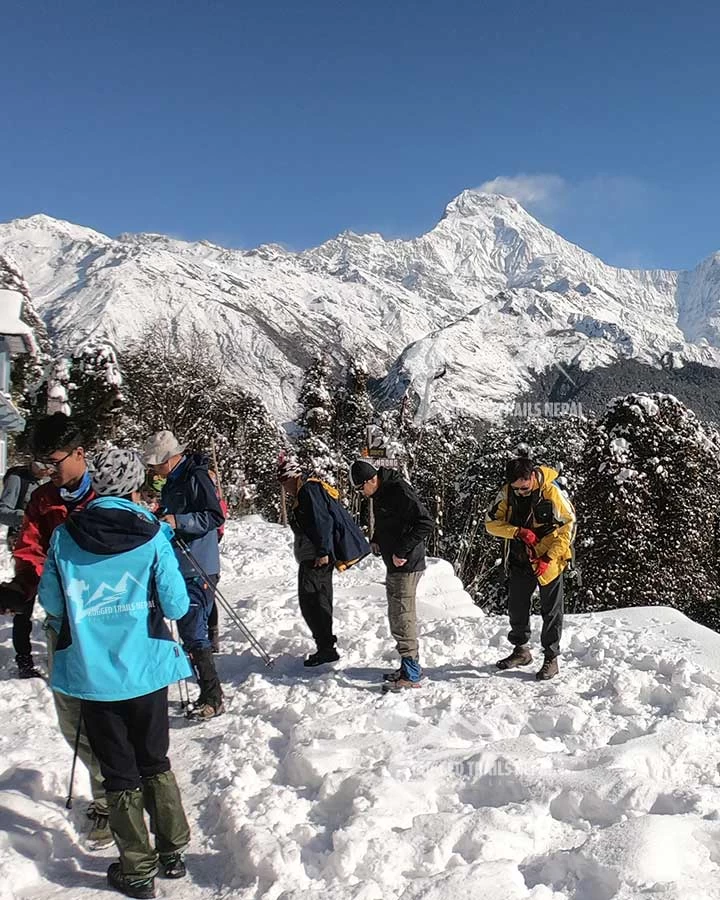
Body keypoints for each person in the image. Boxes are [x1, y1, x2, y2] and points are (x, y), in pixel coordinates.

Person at [38, 448, 192, 900]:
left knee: (118, 770)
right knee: (154, 760)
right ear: (133, 485)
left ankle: (136, 868)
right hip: (145, 669)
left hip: (94, 672)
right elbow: (178, 605)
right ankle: (171, 852)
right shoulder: (152, 534)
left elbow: (51, 603)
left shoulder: (66, 536)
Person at [0, 414, 110, 845]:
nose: (47, 469)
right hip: (61, 621)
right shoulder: (43, 500)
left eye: (54, 460)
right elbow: (30, 550)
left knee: (106, 716)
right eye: (41, 462)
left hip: (107, 621)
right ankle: (111, 788)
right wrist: (21, 589)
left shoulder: (109, 494)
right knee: (72, 720)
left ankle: (110, 800)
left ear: (80, 452)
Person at [142, 431, 225, 719]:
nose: (153, 470)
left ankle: (213, 696)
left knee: (192, 627)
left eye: (155, 464)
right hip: (180, 561)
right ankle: (209, 693)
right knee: (189, 627)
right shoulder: (175, 479)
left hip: (199, 562)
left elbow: (214, 517)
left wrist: (178, 521)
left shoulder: (196, 476)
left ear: (168, 458)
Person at [485, 456, 576, 681]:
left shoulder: (552, 491)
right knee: (517, 606)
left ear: (533, 476)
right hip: (519, 556)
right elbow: (490, 523)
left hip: (549, 559)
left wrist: (549, 557)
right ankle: (521, 651)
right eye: (517, 489)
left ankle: (551, 658)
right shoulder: (507, 493)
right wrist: (516, 531)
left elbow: (568, 526)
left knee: (551, 610)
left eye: (524, 488)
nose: (521, 492)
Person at [278, 454, 370, 667]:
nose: (285, 488)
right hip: (315, 554)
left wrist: (323, 551)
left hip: (316, 557)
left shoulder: (309, 491)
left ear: (291, 478)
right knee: (317, 599)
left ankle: (326, 647)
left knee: (313, 600)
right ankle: (325, 646)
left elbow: (322, 521)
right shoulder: (310, 488)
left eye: (284, 482)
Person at [350, 460, 433, 691]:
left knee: (403, 615)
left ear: (371, 480)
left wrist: (401, 550)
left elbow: (425, 522)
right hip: (395, 563)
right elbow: (389, 521)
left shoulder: (398, 491)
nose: (361, 493)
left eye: (360, 488)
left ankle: (412, 672)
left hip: (407, 563)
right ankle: (408, 665)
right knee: (396, 614)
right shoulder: (381, 492)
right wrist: (377, 538)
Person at [0, 459, 44, 677]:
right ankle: (24, 661)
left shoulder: (46, 481)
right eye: (42, 464)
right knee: (23, 602)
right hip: (23, 542)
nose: (46, 470)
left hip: (44, 543)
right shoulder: (18, 479)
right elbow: (3, 511)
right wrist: (29, 517)